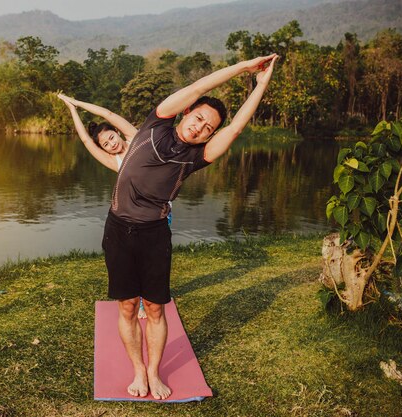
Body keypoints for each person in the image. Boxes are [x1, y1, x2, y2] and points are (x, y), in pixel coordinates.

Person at [103, 54, 278, 400]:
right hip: (118, 229)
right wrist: (244, 68)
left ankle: (153, 373)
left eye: (207, 128)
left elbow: (237, 127)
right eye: (198, 118)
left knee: (154, 308)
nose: (199, 128)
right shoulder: (158, 121)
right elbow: (199, 86)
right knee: (127, 306)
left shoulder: (196, 157)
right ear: (186, 112)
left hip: (154, 235)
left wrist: (261, 85)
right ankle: (137, 369)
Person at [57, 93, 149, 319]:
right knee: (136, 257)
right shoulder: (114, 161)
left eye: (111, 137)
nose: (111, 144)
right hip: (133, 215)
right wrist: (72, 111)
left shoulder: (136, 139)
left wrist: (78, 101)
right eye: (106, 144)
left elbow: (108, 114)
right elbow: (87, 141)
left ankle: (149, 297)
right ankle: (139, 302)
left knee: (152, 258)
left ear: (117, 131)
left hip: (159, 211)